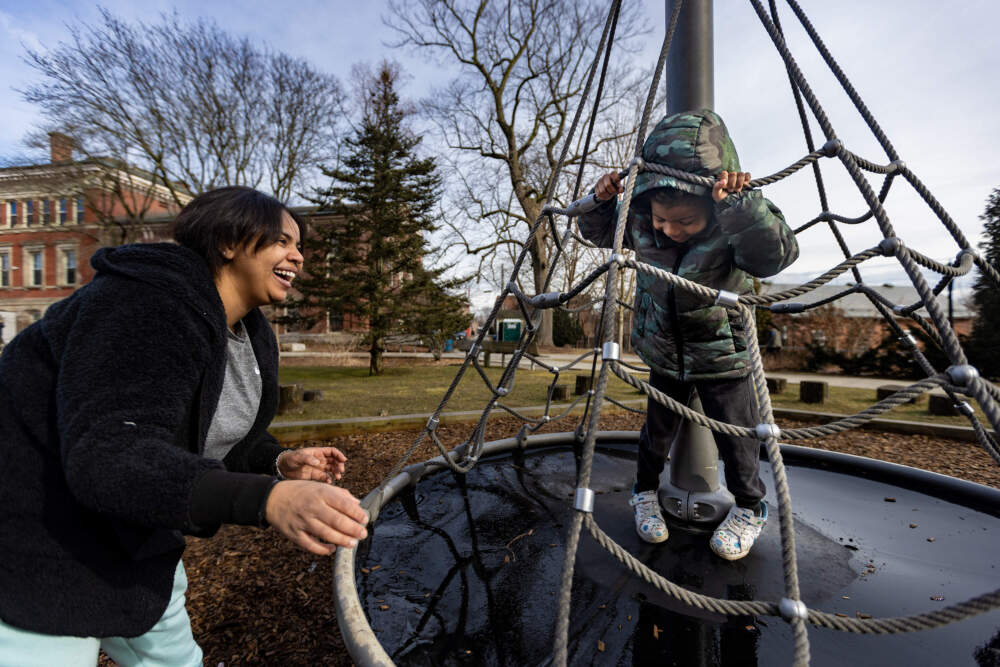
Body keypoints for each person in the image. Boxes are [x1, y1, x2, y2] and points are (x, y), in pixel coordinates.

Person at [0, 186, 370, 665]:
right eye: (282, 241)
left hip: (137, 545)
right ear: (228, 242)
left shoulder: (249, 331)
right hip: (40, 550)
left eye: (299, 246)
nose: (297, 257)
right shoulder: (143, 301)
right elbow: (111, 454)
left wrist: (276, 461)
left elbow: (204, 431)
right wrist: (268, 500)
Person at [579, 110, 798, 560]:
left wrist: (741, 207)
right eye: (663, 220)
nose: (671, 230)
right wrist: (601, 202)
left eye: (684, 223)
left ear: (711, 207)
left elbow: (774, 255)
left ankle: (750, 507)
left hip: (722, 352)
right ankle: (644, 492)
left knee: (737, 436)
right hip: (664, 348)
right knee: (655, 433)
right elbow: (596, 231)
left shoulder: (733, 221)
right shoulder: (641, 219)